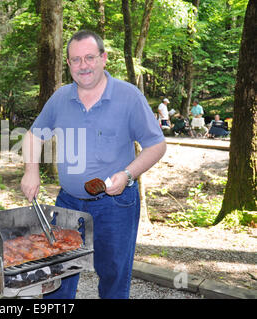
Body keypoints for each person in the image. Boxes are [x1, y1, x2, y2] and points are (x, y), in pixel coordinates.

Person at [20, 30, 166, 299]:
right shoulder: (61, 98)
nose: (83, 65)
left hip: (116, 204)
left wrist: (128, 173)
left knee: (113, 274)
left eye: (89, 57)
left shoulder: (129, 97)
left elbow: (157, 145)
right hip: (68, 203)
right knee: (57, 274)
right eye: (75, 60)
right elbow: (33, 135)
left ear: (103, 58)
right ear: (68, 64)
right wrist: (31, 171)